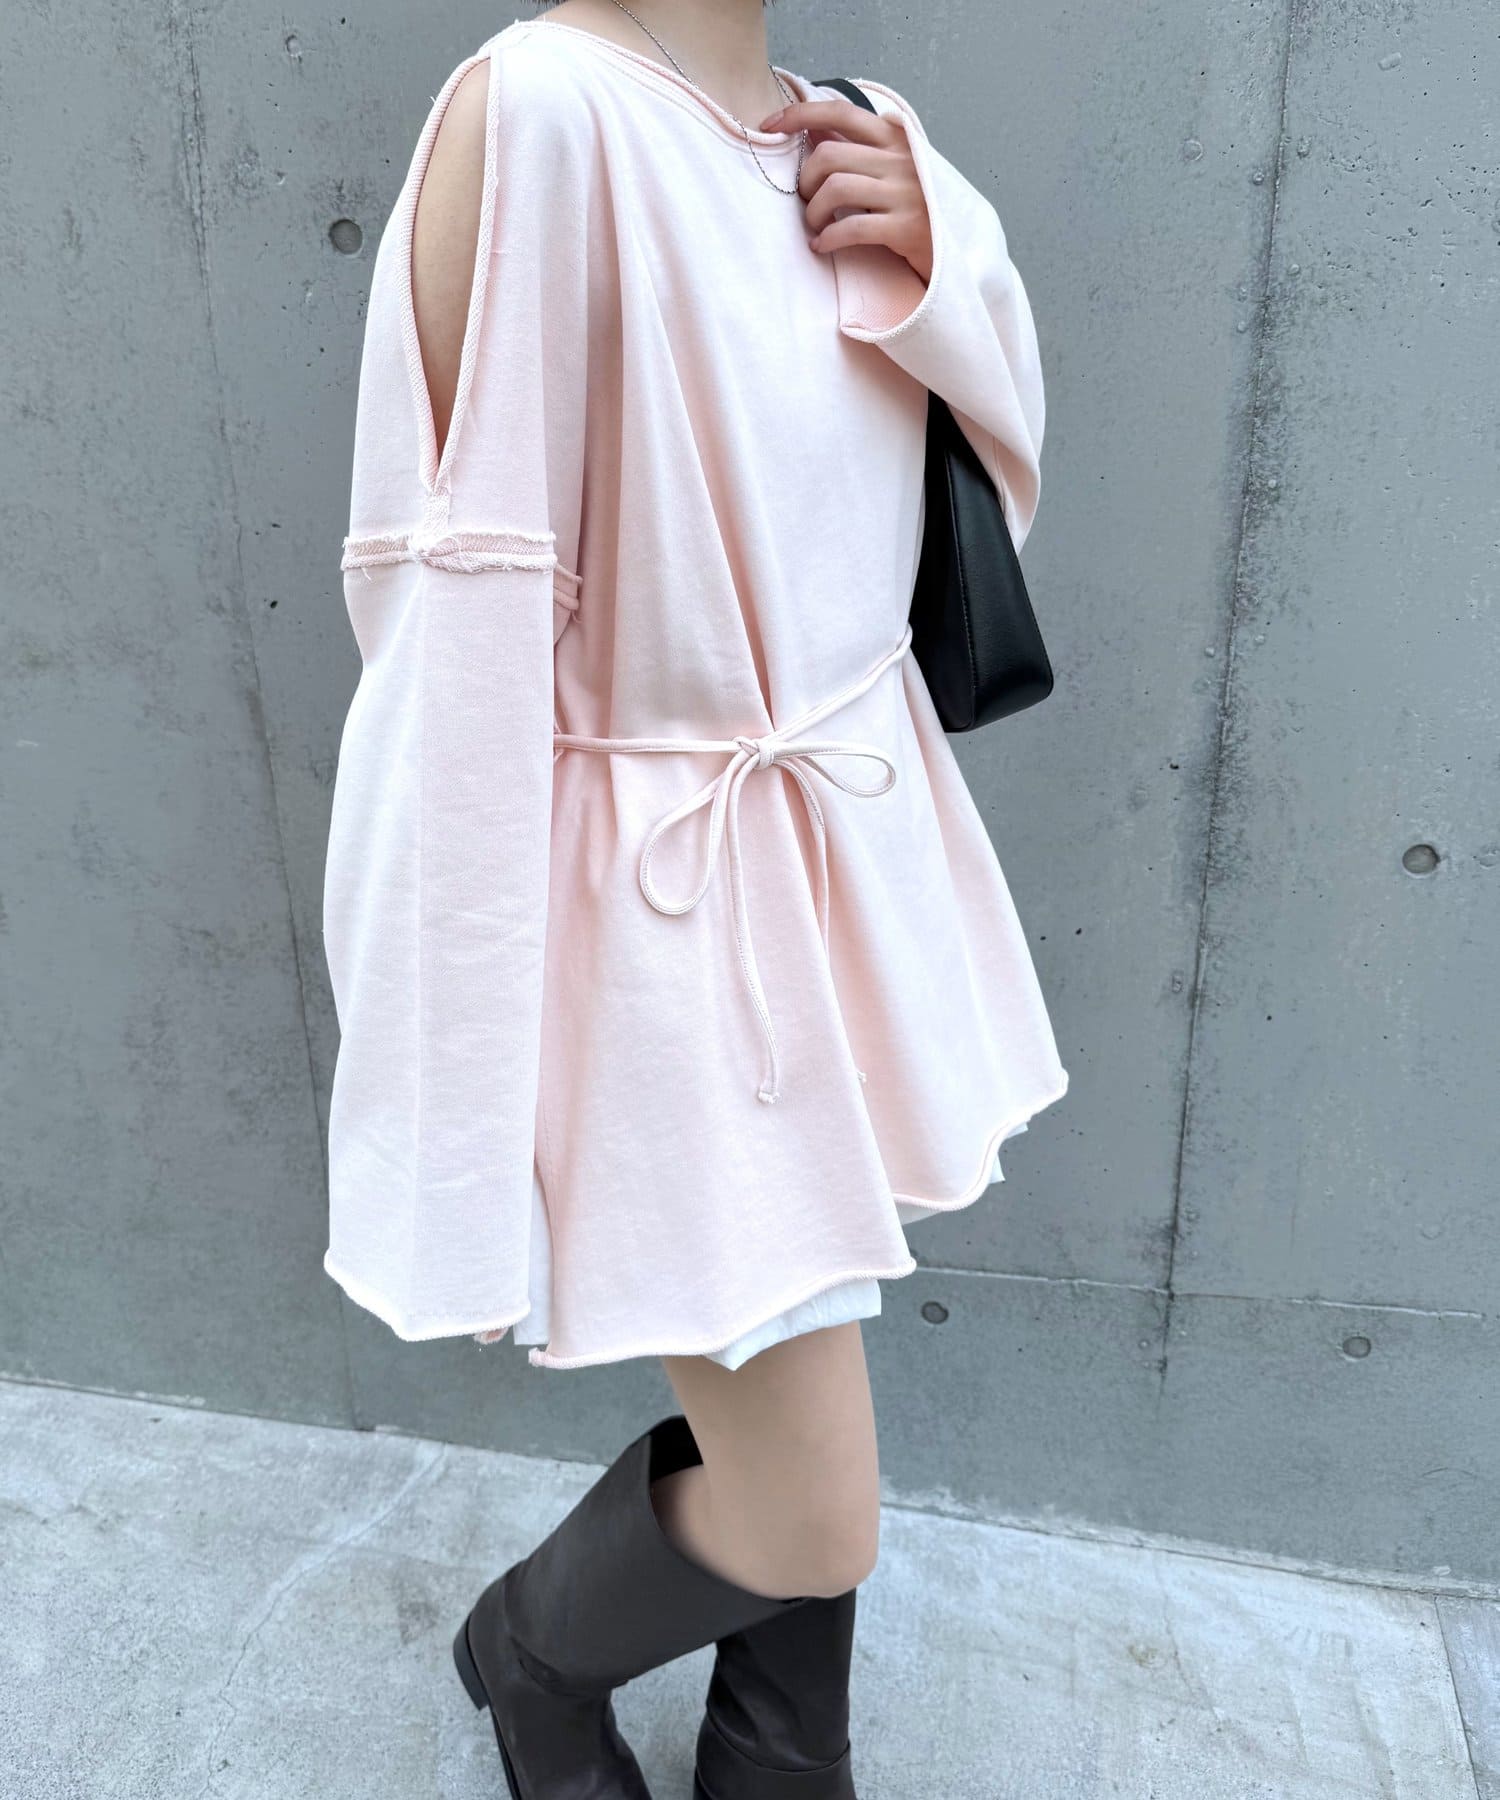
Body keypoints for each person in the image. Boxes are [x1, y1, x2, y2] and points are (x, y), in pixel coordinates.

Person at [320, 0, 1069, 1791]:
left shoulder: (849, 127)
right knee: (816, 1512)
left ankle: (778, 1754)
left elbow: (963, 509)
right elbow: (460, 622)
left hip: (839, 861)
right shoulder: (542, 109)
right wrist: (460, 1062)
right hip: (668, 923)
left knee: (808, 1306)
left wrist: (943, 252)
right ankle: (527, 1650)